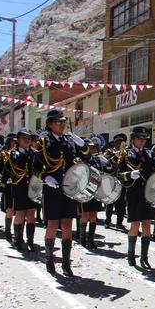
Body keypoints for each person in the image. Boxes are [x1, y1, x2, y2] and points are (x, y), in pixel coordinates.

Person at [33, 110, 89, 276]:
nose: (62, 124)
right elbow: (35, 167)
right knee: (52, 224)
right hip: (52, 188)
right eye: (58, 122)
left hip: (68, 187)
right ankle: (49, 260)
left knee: (67, 224)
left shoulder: (69, 141)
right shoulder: (43, 142)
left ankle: (66, 262)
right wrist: (46, 177)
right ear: (50, 124)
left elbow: (84, 157)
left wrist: (82, 145)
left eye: (63, 121)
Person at [118, 127, 155, 268]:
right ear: (133, 139)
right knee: (135, 224)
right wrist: (129, 175)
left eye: (144, 139)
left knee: (146, 224)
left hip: (148, 193)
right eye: (139, 139)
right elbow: (118, 175)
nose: (142, 141)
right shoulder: (126, 154)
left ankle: (144, 257)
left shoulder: (149, 154)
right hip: (134, 193)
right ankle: (131, 254)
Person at [6, 129, 38, 252]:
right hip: (19, 188)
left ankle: (30, 241)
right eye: (24, 138)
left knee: (31, 214)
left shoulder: (34, 153)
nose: (26, 140)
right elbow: (6, 171)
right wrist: (0, 189)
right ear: (18, 140)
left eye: (29, 139)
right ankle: (18, 240)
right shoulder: (12, 154)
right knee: (20, 214)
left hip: (32, 188)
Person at [78, 137, 110, 249]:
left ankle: (90, 239)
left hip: (96, 189)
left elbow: (106, 171)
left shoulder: (97, 159)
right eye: (90, 147)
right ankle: (82, 238)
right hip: (85, 190)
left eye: (93, 147)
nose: (92, 149)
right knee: (85, 214)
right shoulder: (81, 159)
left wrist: (107, 162)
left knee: (93, 215)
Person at [0, 133, 17, 242]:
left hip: (19, 184)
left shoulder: (22, 153)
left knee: (20, 211)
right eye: (13, 141)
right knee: (9, 209)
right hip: (8, 185)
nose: (15, 142)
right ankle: (8, 231)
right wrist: (0, 177)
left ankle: (19, 235)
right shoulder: (4, 154)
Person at [104, 133, 128, 230]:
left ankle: (119, 222)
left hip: (121, 181)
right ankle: (107, 221)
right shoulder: (109, 152)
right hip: (111, 180)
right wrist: (114, 156)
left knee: (121, 203)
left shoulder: (125, 153)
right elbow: (105, 162)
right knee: (110, 202)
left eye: (121, 143)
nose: (119, 145)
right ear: (114, 143)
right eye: (118, 143)